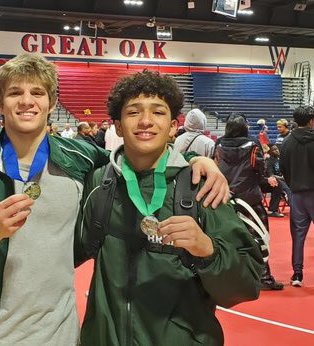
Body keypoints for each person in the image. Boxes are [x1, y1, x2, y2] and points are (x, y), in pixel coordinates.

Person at [0, 53, 229, 346]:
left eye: (38, 93)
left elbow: (137, 159)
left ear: (52, 103)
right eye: (15, 93)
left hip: (62, 335)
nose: (27, 101)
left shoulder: (80, 158)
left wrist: (191, 159)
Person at [76, 70, 262, 346]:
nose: (146, 121)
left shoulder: (202, 186)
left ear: (174, 126)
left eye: (158, 112)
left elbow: (246, 284)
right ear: (116, 126)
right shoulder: (98, 184)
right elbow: (62, 252)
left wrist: (207, 251)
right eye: (133, 112)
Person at [215, 114, 283, 291]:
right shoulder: (252, 145)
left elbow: (215, 166)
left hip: (224, 197)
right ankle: (264, 277)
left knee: (227, 239)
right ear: (245, 127)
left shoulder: (219, 144)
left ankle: (229, 277)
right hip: (250, 198)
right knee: (259, 237)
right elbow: (259, 169)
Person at [280, 105, 314, 287]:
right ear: (311, 120)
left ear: (294, 121)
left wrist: (292, 184)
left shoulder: (287, 142)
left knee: (298, 235)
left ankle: (297, 274)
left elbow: (283, 168)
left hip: (297, 193)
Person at [265, 145, 292, 213]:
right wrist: (282, 178)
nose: (277, 150)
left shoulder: (280, 160)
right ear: (270, 152)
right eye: (274, 150)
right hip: (276, 181)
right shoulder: (269, 161)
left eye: (277, 149)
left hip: (285, 179)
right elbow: (271, 175)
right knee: (287, 189)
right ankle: (293, 206)